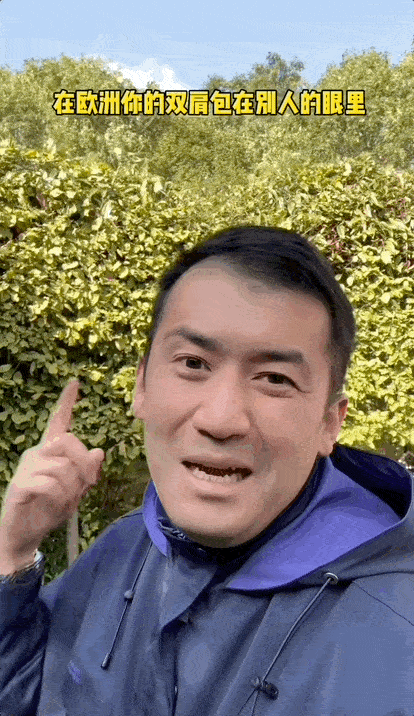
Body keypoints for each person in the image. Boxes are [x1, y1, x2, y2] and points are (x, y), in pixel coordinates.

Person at [0, 225, 413, 716]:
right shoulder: (127, 546)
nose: (221, 419)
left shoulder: (396, 637)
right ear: (142, 387)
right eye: (194, 363)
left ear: (330, 422)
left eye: (275, 378)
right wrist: (13, 552)